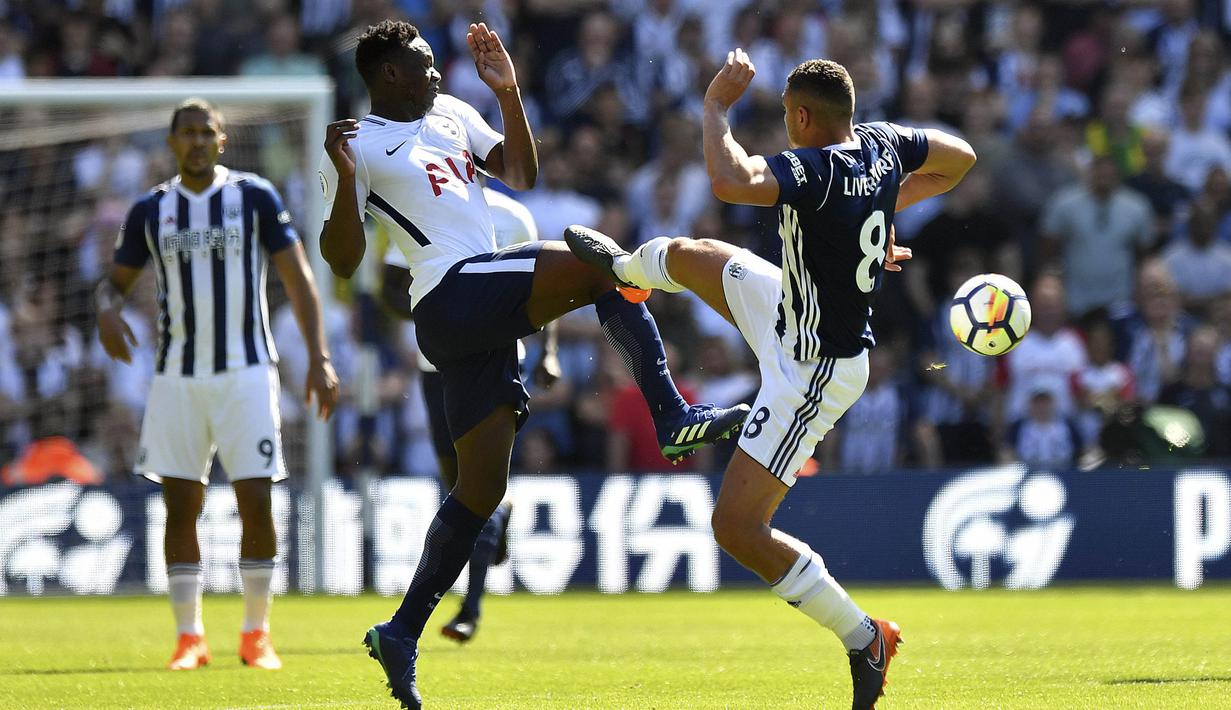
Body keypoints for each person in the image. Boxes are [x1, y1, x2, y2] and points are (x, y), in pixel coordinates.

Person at [316, 21, 748, 709]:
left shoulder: (453, 111)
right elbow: (340, 258)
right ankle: (671, 413)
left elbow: (520, 174)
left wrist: (509, 94)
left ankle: (400, 631)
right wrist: (343, 180)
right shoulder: (355, 144)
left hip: (473, 314)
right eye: (424, 64)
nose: (438, 72)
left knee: (480, 491)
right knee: (599, 260)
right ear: (388, 74)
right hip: (450, 290)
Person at [564, 53, 976, 708]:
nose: (785, 128)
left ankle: (864, 635)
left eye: (787, 117)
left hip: (812, 370)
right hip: (788, 310)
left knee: (735, 528)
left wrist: (712, 108)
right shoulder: (882, 144)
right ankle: (623, 271)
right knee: (690, 254)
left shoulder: (812, 169)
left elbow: (730, 181)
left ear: (804, 118)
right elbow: (959, 157)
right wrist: (881, 207)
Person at [96, 98, 340, 670]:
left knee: (256, 499)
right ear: (172, 143)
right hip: (177, 376)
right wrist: (105, 309)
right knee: (181, 506)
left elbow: (299, 278)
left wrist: (319, 357)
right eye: (188, 133)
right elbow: (112, 286)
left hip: (247, 372)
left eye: (208, 132)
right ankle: (190, 637)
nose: (198, 141)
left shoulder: (254, 197)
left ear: (223, 141)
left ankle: (256, 632)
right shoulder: (152, 210)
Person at [380, 184, 547, 644]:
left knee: (475, 486)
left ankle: (469, 608)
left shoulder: (513, 217)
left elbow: (537, 288)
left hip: (497, 360)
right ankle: (498, 518)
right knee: (459, 488)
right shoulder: (420, 208)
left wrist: (546, 350)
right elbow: (389, 288)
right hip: (434, 366)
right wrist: (438, 318)